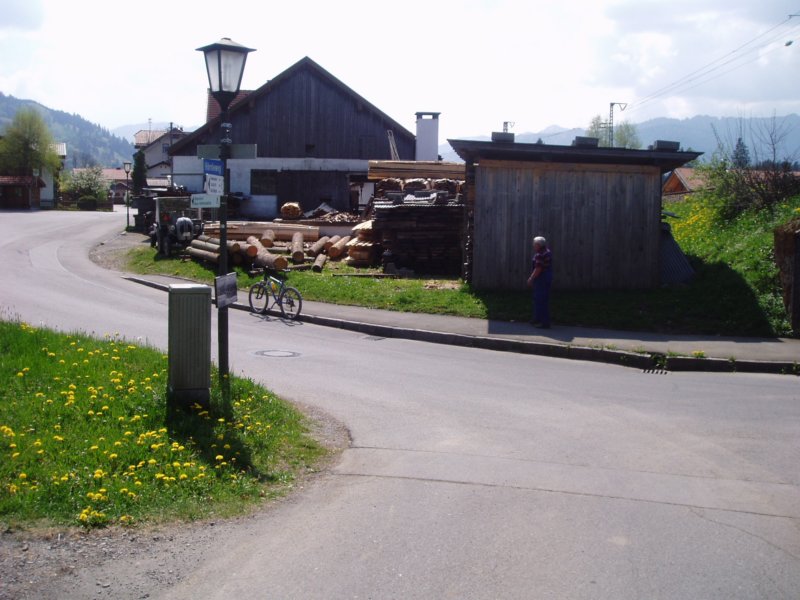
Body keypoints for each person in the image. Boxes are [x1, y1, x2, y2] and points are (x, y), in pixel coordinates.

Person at [526, 236, 553, 328]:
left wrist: (531, 278)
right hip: (547, 277)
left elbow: (538, 268)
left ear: (538, 245)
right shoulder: (547, 251)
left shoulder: (540, 254)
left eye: (534, 244)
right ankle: (537, 318)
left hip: (541, 278)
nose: (533, 246)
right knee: (542, 299)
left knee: (540, 300)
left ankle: (544, 322)